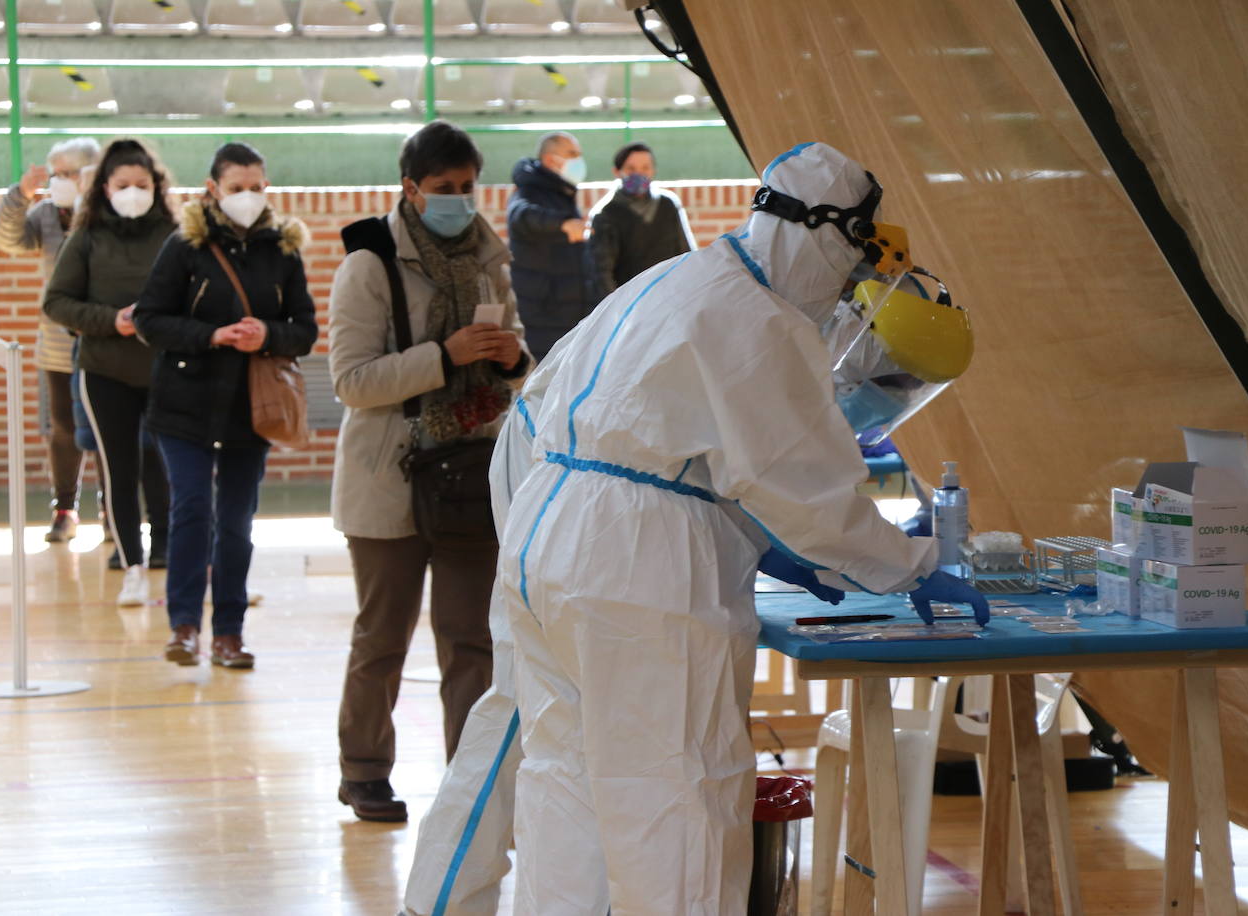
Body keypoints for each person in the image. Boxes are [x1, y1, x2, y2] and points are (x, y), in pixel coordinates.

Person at [401, 249, 977, 916]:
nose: (891, 396)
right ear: (859, 324)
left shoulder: (777, 314)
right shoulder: (769, 318)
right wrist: (895, 561)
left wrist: (765, 541)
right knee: (525, 715)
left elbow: (724, 464)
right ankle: (438, 904)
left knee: (585, 751)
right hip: (556, 474)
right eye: (894, 378)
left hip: (609, 498)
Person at [328, 121, 531, 823]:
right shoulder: (368, 264)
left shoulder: (487, 258)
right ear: (409, 189)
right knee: (382, 637)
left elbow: (514, 347)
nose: (459, 200)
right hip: (390, 474)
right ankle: (363, 771)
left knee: (472, 640)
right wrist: (444, 355)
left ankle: (468, 779)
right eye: (443, 190)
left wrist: (510, 357)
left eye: (468, 187)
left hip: (470, 473)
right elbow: (353, 382)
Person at [133, 142, 318, 668]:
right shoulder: (184, 247)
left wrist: (268, 334)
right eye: (237, 188)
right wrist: (211, 335)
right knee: (192, 510)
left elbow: (304, 330)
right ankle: (184, 626)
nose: (249, 197)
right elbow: (150, 318)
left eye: (257, 187)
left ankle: (229, 633)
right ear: (213, 189)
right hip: (184, 407)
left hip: (250, 409)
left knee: (236, 522)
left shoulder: (283, 249)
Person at [43, 138, 175, 608]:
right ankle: (129, 559)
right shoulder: (87, 236)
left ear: (157, 187)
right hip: (105, 371)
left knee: (167, 464)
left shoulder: (176, 234)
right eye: (124, 185)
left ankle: (168, 549)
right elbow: (56, 302)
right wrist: (112, 321)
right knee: (120, 467)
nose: (134, 192)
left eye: (143, 184)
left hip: (167, 370)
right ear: (105, 188)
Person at [0, 137, 101, 543]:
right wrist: (19, 196)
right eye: (54, 174)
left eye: (66, 174)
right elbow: (7, 239)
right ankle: (65, 509)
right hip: (56, 343)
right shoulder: (46, 214)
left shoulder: (110, 214)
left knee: (111, 426)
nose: (58, 181)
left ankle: (113, 509)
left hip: (106, 339)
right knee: (63, 428)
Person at [505, 131, 590, 361]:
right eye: (572, 154)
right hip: (542, 318)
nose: (578, 160)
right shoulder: (529, 191)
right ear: (551, 159)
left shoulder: (561, 193)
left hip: (565, 315)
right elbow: (522, 217)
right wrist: (561, 225)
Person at [585, 141, 696, 303]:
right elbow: (601, 271)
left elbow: (685, 251)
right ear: (617, 172)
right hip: (631, 302)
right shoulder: (606, 214)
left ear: (653, 170)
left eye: (645, 168)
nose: (639, 174)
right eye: (631, 169)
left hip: (669, 298)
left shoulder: (667, 204)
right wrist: (616, 306)